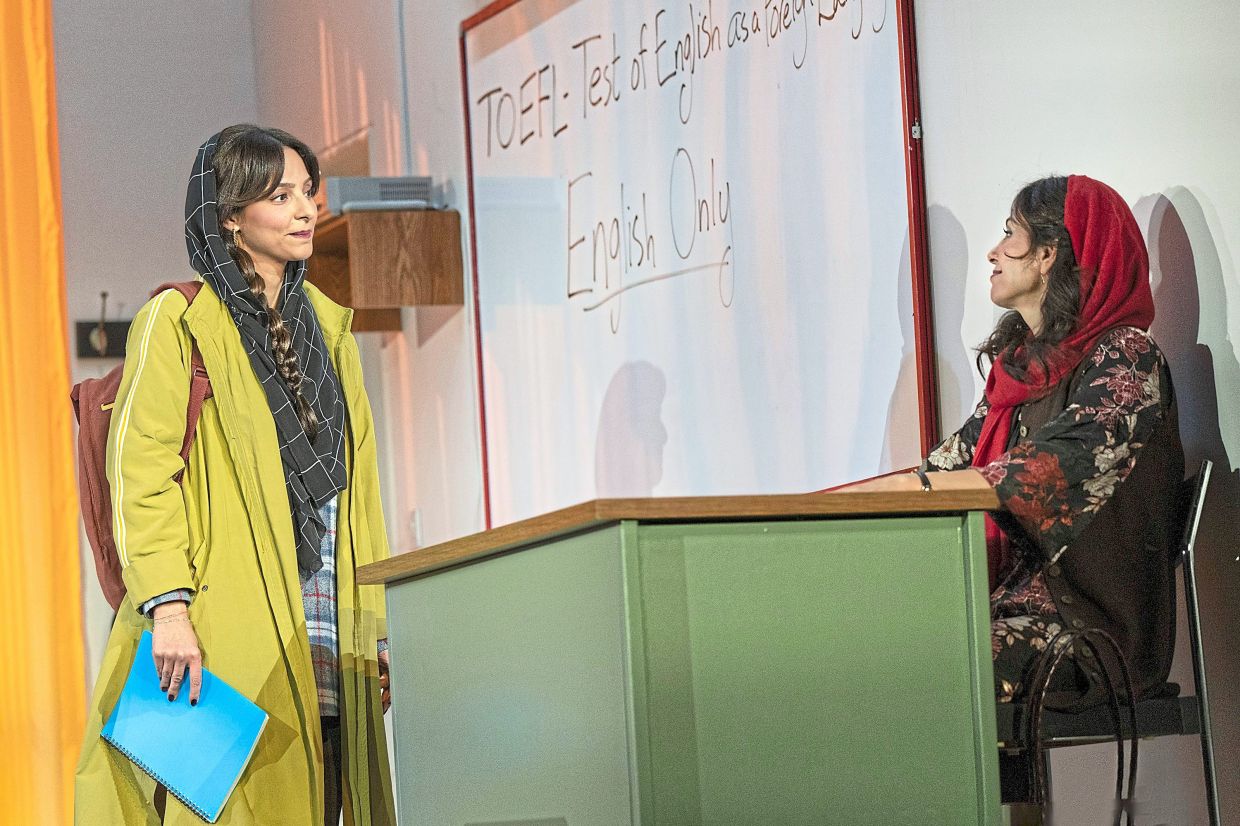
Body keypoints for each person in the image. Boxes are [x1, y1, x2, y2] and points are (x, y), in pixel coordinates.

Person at [75, 125, 396, 825]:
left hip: (325, 638)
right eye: (279, 196)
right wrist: (168, 610)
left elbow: (357, 500)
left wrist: (377, 631)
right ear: (229, 216)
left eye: (307, 191)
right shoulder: (180, 320)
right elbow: (141, 474)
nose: (305, 210)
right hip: (224, 641)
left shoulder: (329, 331)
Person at [850, 175, 1184, 712]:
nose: (994, 252)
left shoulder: (1127, 357)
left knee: (922, 660)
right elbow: (947, 465)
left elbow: (1054, 464)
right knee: (857, 643)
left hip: (1089, 632)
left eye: (1010, 234)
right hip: (1011, 609)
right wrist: (845, 500)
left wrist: (928, 488)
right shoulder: (1024, 370)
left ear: (1049, 254)